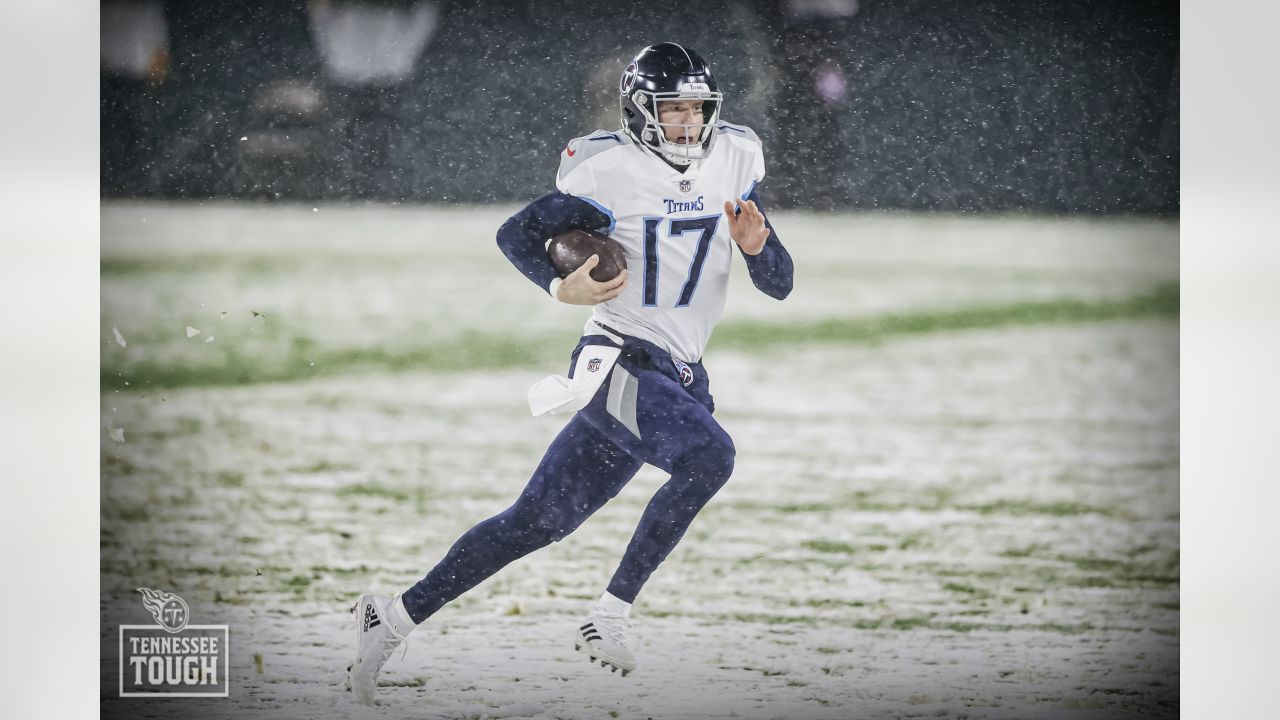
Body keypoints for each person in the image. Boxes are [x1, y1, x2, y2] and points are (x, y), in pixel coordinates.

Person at [347, 42, 793, 705]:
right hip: (617, 359)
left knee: (535, 522)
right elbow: (515, 235)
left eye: (699, 109)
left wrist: (758, 249)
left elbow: (780, 283)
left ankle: (393, 616)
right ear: (643, 113)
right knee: (710, 456)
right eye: (674, 111)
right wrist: (560, 291)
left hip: (679, 372)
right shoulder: (608, 170)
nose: (689, 123)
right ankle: (609, 614)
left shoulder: (733, 158)